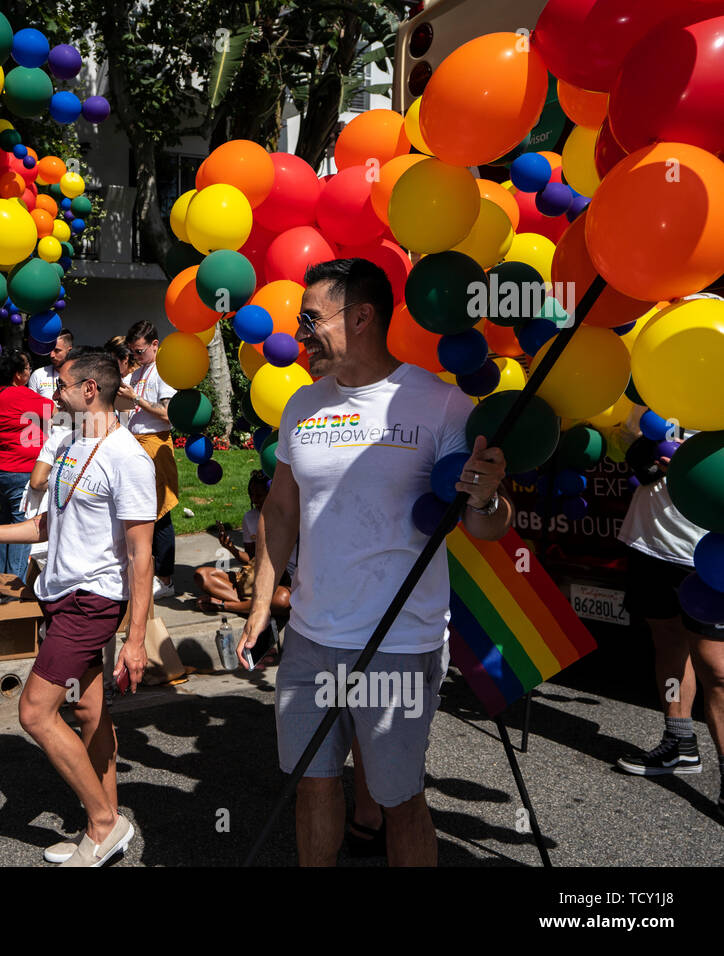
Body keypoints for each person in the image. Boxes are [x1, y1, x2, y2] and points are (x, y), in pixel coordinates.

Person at [237, 258, 512, 867]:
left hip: (400, 643)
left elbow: (483, 524)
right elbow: (281, 512)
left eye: (311, 319)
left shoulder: (439, 407)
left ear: (360, 317)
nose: (299, 334)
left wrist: (488, 495)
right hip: (309, 636)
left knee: (399, 799)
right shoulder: (301, 405)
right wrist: (261, 604)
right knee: (310, 783)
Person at [0, 349, 156, 866]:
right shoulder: (68, 444)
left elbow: (141, 555)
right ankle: (99, 825)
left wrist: (135, 638)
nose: (52, 396)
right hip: (58, 595)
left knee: (35, 712)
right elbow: (47, 525)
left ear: (90, 391)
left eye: (61, 387)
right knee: (87, 709)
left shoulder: (126, 457)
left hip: (92, 601)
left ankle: (106, 823)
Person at [614, 410, 724, 812]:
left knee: (716, 668)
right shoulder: (658, 388)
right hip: (652, 540)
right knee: (669, 643)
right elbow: (628, 437)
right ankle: (679, 741)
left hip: (710, 551)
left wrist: (692, 467)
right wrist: (642, 455)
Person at [0, 347, 54, 579]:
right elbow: (55, 410)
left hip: (0, 470)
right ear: (17, 374)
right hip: (20, 471)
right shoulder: (21, 395)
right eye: (27, 368)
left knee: (6, 529)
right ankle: (14, 589)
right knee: (21, 532)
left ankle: (1, 580)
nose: (30, 371)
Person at [122, 321, 179, 599]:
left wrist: (136, 399)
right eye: (133, 352)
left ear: (155, 345)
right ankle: (143, 570)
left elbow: (168, 414)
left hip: (155, 445)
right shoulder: (137, 372)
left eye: (141, 351)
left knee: (160, 513)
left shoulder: (164, 371)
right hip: (135, 445)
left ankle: (166, 579)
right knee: (138, 511)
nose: (137, 357)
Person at [194, 470, 292, 621]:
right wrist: (231, 548)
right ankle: (251, 606)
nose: (255, 499)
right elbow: (251, 558)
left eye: (259, 495)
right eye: (251, 495)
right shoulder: (250, 518)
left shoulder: (287, 517)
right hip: (251, 580)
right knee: (202, 575)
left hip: (277, 582)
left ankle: (226, 605)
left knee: (283, 600)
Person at [27, 329, 74, 402]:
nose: (51, 355)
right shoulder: (38, 375)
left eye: (57, 350)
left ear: (69, 350)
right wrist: (50, 411)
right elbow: (31, 405)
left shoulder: (79, 375)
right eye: (50, 350)